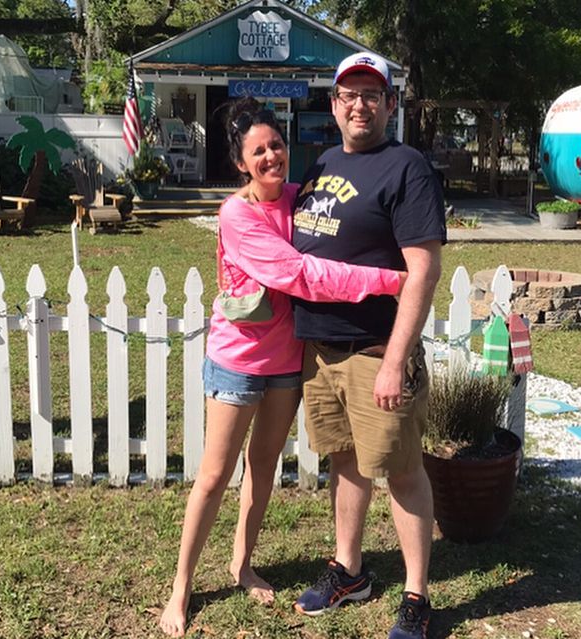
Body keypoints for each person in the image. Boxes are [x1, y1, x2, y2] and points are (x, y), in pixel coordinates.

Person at [159, 97, 409, 638]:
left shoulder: (301, 198)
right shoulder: (237, 215)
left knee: (263, 468)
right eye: (258, 152)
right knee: (214, 476)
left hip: (288, 359)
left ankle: (242, 564)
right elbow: (301, 274)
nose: (271, 156)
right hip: (238, 362)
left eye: (276, 145)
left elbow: (351, 227)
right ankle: (181, 586)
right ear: (241, 163)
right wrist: (389, 281)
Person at [290, 52, 446, 639]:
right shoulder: (323, 163)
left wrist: (396, 361)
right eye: (349, 94)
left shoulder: (407, 168)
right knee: (345, 462)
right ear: (333, 105)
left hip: (376, 352)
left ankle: (416, 596)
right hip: (322, 352)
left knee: (402, 472)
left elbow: (423, 270)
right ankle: (349, 571)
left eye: (371, 95)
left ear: (390, 104)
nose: (360, 105)